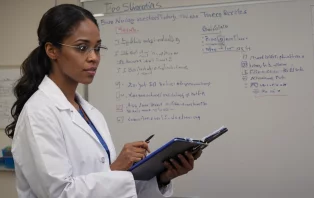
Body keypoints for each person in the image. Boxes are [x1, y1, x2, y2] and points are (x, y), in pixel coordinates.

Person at [5, 4, 202, 198]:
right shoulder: (39, 113)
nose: (94, 58)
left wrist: (162, 178)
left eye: (97, 48)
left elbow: (113, 187)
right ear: (52, 50)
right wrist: (117, 168)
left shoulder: (91, 114)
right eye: (82, 48)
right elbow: (59, 193)